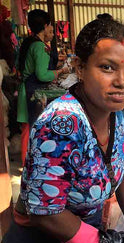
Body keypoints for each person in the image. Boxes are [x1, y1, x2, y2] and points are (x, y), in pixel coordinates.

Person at [0, 14, 124, 243]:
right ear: (80, 67)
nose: (121, 81)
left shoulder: (122, 110)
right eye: (107, 68)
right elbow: (46, 213)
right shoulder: (62, 123)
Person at [17, 9, 70, 164]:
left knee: (27, 129)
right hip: (32, 92)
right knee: (31, 129)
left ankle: (27, 163)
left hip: (27, 90)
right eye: (50, 27)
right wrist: (60, 71)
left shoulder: (31, 43)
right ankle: (30, 164)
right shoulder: (39, 47)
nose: (51, 30)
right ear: (45, 26)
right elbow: (42, 75)